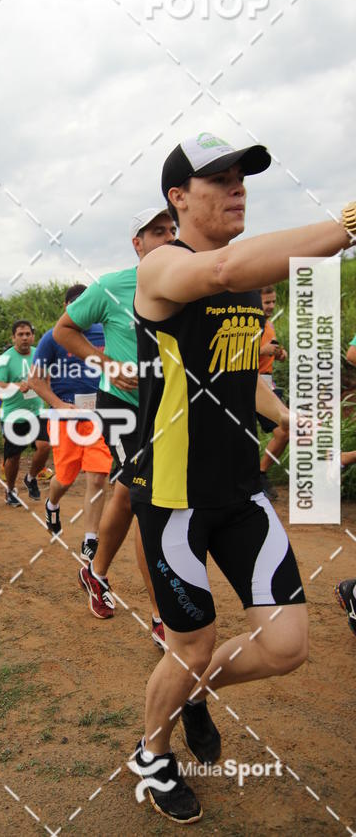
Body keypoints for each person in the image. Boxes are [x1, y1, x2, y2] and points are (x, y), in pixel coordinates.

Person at [127, 131, 353, 823]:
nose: (238, 188)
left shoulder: (248, 280)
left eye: (243, 178)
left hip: (241, 491)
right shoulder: (163, 266)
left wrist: (287, 416)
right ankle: (152, 752)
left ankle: (195, 693)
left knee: (286, 646)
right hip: (174, 498)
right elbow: (221, 271)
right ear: (177, 197)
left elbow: (237, 370)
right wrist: (345, 227)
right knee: (191, 644)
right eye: (220, 179)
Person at [53, 209, 176, 645]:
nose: (168, 237)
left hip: (170, 409)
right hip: (123, 406)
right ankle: (163, 618)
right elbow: (65, 330)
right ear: (137, 244)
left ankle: (96, 572)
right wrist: (105, 363)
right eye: (157, 232)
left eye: (173, 230)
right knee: (147, 502)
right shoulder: (112, 286)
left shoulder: (189, 283)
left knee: (125, 493)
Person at [28, 284, 112, 560]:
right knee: (65, 478)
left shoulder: (104, 332)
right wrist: (59, 404)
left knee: (98, 476)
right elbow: (35, 380)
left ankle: (90, 539)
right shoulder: (53, 337)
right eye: (75, 305)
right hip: (65, 417)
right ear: (66, 307)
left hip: (97, 416)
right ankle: (52, 504)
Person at [0, 320, 50, 506]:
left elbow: (47, 376)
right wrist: (17, 386)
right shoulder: (6, 358)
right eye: (20, 334)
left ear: (33, 336)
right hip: (13, 415)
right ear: (13, 337)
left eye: (28, 334)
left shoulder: (39, 354)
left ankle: (31, 478)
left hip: (37, 412)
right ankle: (10, 490)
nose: (25, 338)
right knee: (13, 457)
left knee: (45, 446)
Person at [257, 285, 288, 501]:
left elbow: (271, 351)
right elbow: (235, 353)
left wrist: (279, 353)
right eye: (266, 302)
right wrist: (262, 350)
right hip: (248, 383)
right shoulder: (248, 324)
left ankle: (260, 473)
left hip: (268, 384)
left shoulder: (269, 324)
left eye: (273, 302)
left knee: (284, 430)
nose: (271, 306)